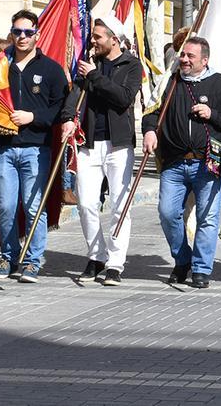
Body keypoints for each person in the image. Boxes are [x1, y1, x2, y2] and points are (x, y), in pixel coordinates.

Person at [144, 36, 221, 288]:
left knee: (207, 217)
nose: (184, 60)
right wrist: (150, 130)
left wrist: (213, 114)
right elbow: (152, 111)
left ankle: (201, 269)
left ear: (204, 60)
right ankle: (182, 259)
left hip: (208, 162)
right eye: (182, 55)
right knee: (167, 213)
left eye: (190, 56)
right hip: (174, 162)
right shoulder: (170, 82)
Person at [0, 10, 69, 283]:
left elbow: (61, 107)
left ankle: (33, 261)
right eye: (17, 32)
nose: (22, 37)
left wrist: (33, 117)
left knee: (34, 206)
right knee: (5, 206)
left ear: (37, 34)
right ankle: (8, 256)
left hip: (37, 148)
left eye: (27, 32)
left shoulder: (51, 70)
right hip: (4, 147)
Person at [64, 16, 143, 285]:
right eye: (93, 36)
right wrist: (66, 119)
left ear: (114, 38)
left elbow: (123, 98)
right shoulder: (89, 65)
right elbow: (74, 96)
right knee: (86, 202)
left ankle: (115, 264)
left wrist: (95, 76)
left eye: (98, 37)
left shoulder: (131, 65)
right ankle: (96, 256)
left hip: (119, 144)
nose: (93, 41)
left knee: (120, 206)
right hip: (89, 143)